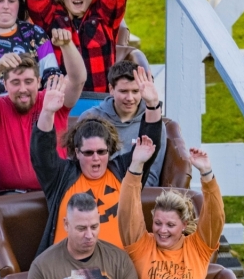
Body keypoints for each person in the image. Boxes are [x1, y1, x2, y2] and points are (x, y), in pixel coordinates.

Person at [31, 67, 162, 253]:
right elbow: (41, 153)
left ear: (110, 151)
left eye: (102, 152)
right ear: (77, 152)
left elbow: (150, 143)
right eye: (88, 153)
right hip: (69, 270)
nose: (96, 159)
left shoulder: (124, 171)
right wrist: (47, 112)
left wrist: (152, 104)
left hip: (118, 271)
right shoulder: (61, 176)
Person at [118, 137, 223, 279]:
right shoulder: (142, 246)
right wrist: (136, 165)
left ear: (184, 225)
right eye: (158, 223)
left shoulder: (198, 248)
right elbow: (127, 210)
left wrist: (207, 174)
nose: (162, 230)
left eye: (171, 225)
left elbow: (215, 217)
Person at [0, 28, 85, 193]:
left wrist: (67, 45)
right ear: (5, 84)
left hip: (58, 189)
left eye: (28, 81)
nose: (23, 89)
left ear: (39, 82)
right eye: (16, 82)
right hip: (12, 196)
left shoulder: (51, 99)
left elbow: (78, 80)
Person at [80, 60, 165, 186]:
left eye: (136, 91)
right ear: (111, 89)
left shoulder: (154, 125)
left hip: (136, 192)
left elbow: (152, 175)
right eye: (124, 91)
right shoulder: (89, 118)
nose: (130, 98)